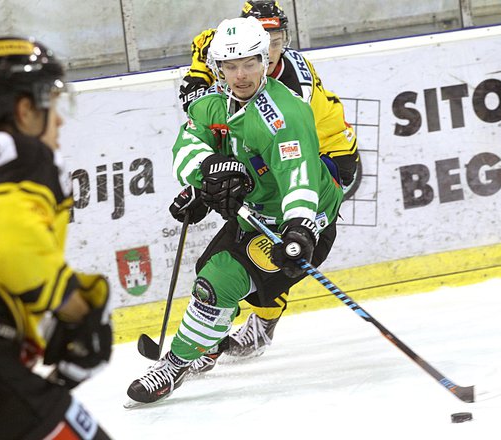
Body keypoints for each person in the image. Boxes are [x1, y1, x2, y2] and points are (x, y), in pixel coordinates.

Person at [127, 16, 343, 404]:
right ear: (218, 68)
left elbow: (299, 180)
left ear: (264, 61)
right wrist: (204, 179)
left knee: (218, 284)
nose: (240, 75)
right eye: (230, 66)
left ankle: (177, 364)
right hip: (254, 214)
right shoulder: (215, 105)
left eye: (249, 64)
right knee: (206, 278)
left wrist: (299, 227)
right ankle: (205, 346)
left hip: (299, 224)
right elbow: (188, 145)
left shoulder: (285, 116)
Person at [0, 37, 113, 439]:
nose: (60, 119)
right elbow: (13, 249)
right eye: (51, 101)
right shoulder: (22, 152)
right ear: (26, 109)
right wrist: (78, 312)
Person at [176, 0, 360, 363]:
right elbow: (200, 105)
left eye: (279, 40)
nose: (274, 51)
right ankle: (220, 319)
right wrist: (205, 178)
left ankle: (263, 321)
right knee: (243, 238)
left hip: (327, 156)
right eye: (267, 39)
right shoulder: (222, 46)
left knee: (276, 238)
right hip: (269, 155)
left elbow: (283, 160)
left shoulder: (290, 88)